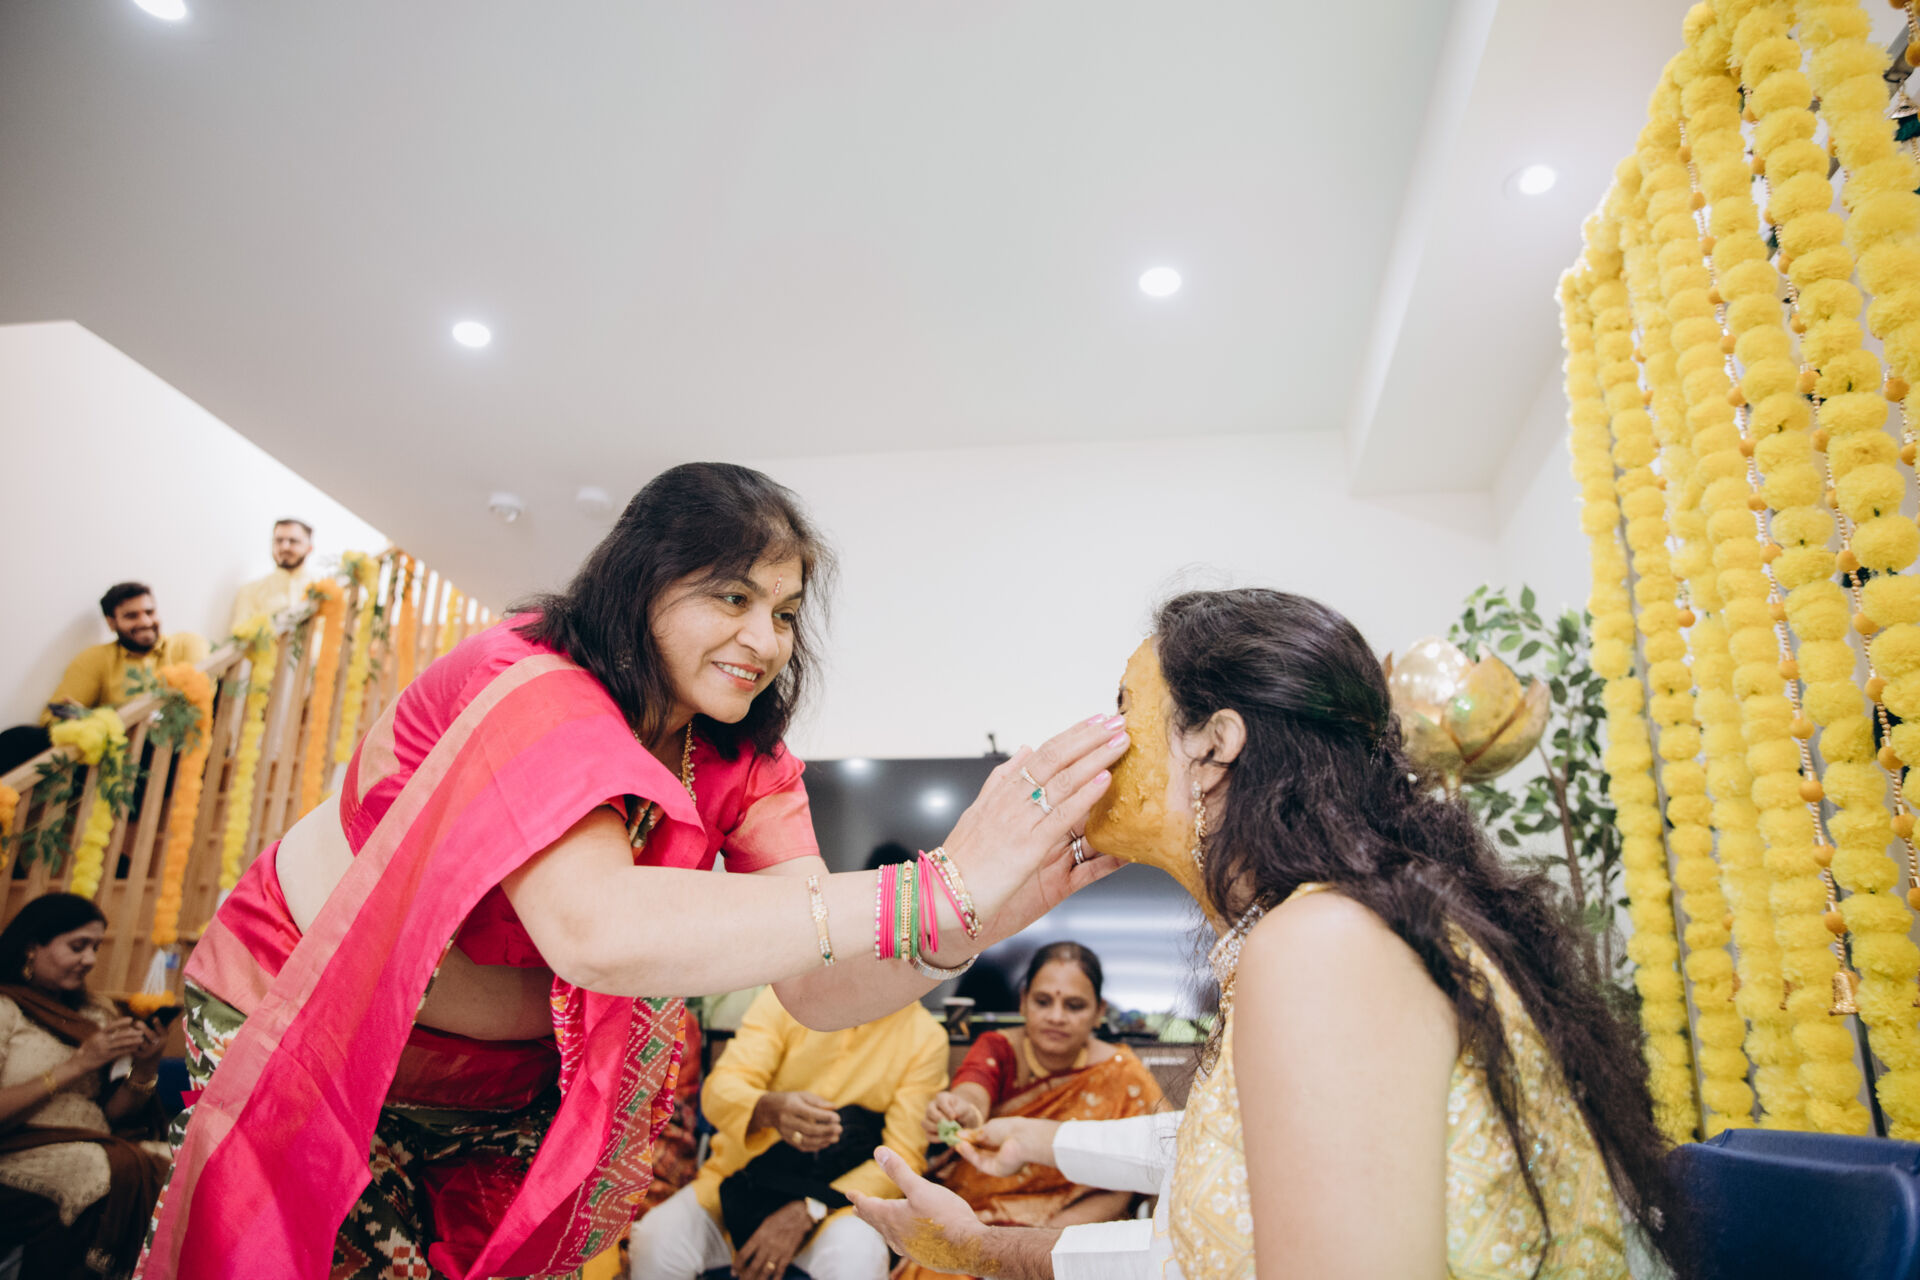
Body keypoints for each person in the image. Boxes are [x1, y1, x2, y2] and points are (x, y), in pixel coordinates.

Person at [147, 463, 1128, 1280]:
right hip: (318, 1035)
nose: (765, 640)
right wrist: (939, 883)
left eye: (785, 612)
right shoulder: (528, 682)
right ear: (641, 582)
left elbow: (819, 984)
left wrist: (978, 914)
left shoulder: (738, 755)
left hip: (502, 1091)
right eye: (733, 597)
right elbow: (596, 929)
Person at [853, 589, 1689, 1279]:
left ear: (1215, 745)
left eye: (1124, 708)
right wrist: (987, 1232)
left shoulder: (1325, 945)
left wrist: (984, 1247)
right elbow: (1220, 1210)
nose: (1101, 745)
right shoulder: (1314, 927)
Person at [630, 985, 947, 1280]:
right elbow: (719, 1091)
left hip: (838, 1208)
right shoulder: (788, 998)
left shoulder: (924, 1037)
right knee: (656, 1241)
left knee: (857, 1255)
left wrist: (811, 1208)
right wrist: (766, 1109)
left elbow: (903, 1159)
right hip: (737, 1186)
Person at [900, 943, 1161, 1280]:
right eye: (1043, 1001)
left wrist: (1043, 1244)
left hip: (1074, 1224)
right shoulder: (997, 1047)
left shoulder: (1123, 1074)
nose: (1056, 1016)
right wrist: (959, 1112)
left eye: (1074, 1005)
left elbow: (1146, 1168)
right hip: (979, 1214)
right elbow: (972, 1094)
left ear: (1099, 1011)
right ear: (1023, 1001)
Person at [0, 893, 169, 1279]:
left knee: (172, 1166)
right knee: (96, 1173)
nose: (90, 959)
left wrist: (145, 1065)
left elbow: (110, 1114)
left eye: (95, 947)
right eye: (78, 947)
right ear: (32, 947)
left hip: (92, 1140)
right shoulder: (5, 1008)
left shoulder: (95, 1013)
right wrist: (79, 1063)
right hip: (15, 1148)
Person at [0, 584, 213, 777]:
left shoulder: (185, 644)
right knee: (18, 738)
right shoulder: (96, 658)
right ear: (112, 623)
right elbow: (53, 714)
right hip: (112, 750)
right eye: (131, 616)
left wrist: (108, 718)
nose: (145, 622)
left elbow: (199, 696)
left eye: (150, 612)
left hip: (168, 747)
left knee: (150, 743)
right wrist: (94, 721)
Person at [228, 518, 322, 633]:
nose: (284, 547)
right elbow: (240, 636)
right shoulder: (250, 591)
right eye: (279, 541)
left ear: (309, 548)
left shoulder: (324, 588)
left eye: (293, 541)